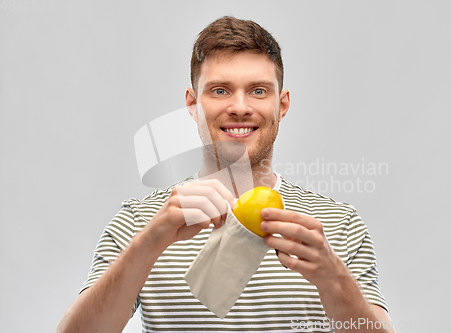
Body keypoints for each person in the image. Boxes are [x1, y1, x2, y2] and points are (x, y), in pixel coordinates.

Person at [57, 16, 395, 333]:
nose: (240, 106)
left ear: (282, 105)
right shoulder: (141, 220)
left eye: (258, 91)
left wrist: (333, 277)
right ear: (192, 104)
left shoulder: (337, 224)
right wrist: (150, 242)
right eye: (220, 90)